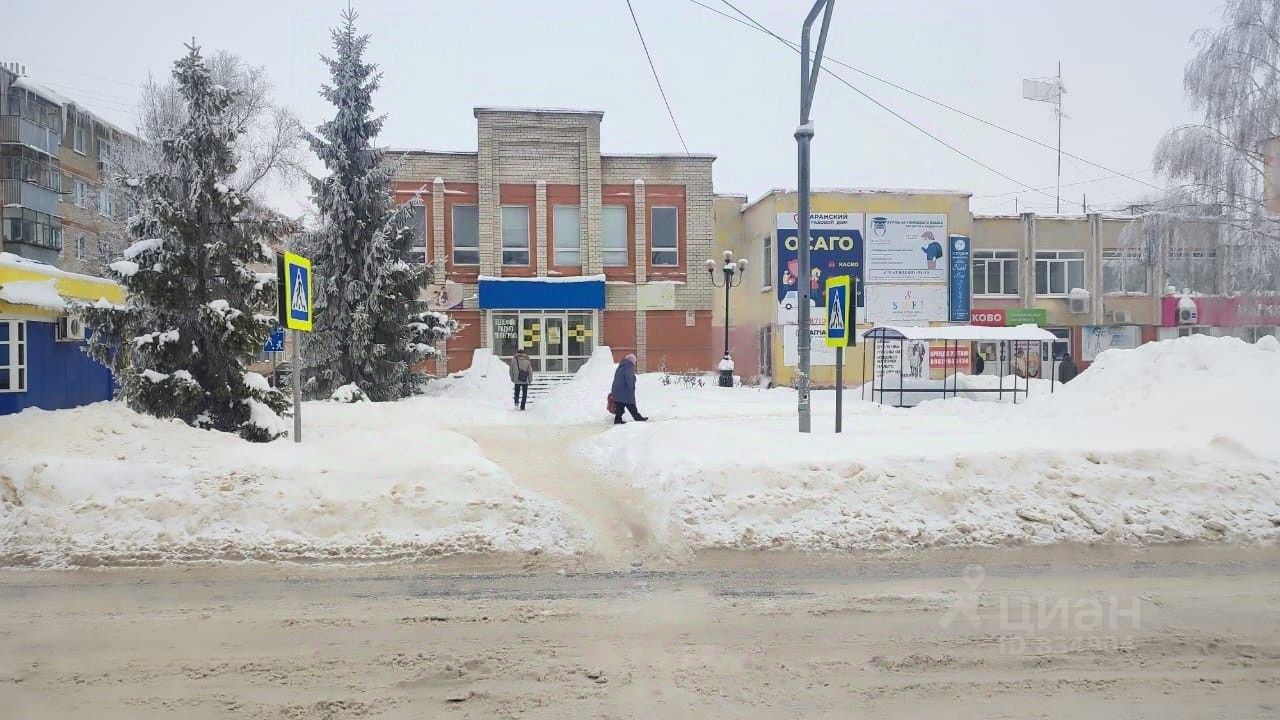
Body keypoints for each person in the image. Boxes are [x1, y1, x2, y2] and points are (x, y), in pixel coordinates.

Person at [610, 354, 647, 424]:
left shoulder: (621, 366)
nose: (635, 363)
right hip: (625, 389)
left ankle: (617, 420)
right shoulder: (629, 366)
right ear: (632, 360)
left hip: (617, 389)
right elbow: (629, 377)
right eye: (635, 361)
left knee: (620, 404)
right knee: (630, 404)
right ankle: (638, 418)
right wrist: (631, 386)